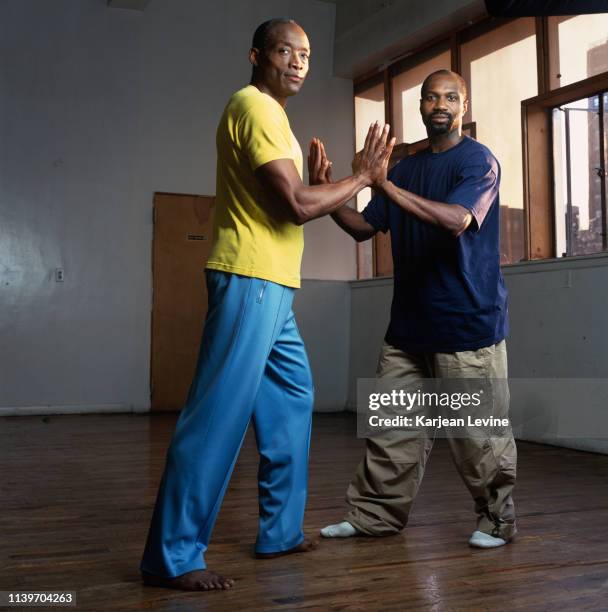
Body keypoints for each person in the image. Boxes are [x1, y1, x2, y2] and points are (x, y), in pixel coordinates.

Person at [140, 18, 394, 591]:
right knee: (216, 418)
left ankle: (278, 532)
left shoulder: (272, 114)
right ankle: (172, 556)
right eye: (286, 50)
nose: (299, 62)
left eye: (306, 54)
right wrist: (361, 177)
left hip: (274, 285)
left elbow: (303, 199)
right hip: (249, 276)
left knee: (292, 403)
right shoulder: (254, 107)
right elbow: (296, 205)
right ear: (257, 55)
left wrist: (337, 185)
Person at [314, 70, 517, 549]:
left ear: (464, 105)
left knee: (476, 438)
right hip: (407, 326)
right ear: (421, 107)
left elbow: (456, 220)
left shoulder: (479, 162)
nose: (440, 104)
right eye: (431, 97)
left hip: (466, 325)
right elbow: (364, 227)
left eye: (450, 96)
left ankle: (497, 521)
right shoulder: (404, 169)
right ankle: (374, 517)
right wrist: (327, 192)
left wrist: (383, 184)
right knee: (391, 431)